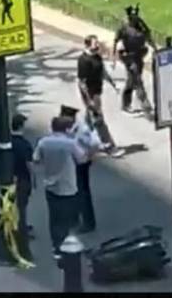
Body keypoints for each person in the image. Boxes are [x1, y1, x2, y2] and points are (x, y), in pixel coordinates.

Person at [34, 116, 89, 255]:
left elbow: (36, 159)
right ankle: (68, 246)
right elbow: (82, 159)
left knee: (54, 218)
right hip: (68, 186)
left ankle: (56, 246)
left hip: (51, 186)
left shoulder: (44, 142)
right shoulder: (70, 143)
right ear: (67, 129)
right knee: (69, 219)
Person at [76, 34, 124, 158]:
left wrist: (114, 85)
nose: (98, 45)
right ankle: (109, 146)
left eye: (97, 43)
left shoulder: (97, 56)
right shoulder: (83, 61)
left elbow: (103, 72)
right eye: (95, 43)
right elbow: (82, 83)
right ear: (88, 45)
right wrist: (89, 101)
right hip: (90, 94)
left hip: (97, 92)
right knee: (98, 120)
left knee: (88, 122)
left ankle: (80, 144)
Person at [60, 106, 102, 234]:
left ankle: (88, 223)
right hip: (71, 163)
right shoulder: (67, 128)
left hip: (81, 164)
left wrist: (89, 155)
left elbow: (95, 143)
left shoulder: (81, 130)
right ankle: (75, 219)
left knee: (82, 193)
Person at [112, 4, 155, 118]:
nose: (134, 20)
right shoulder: (124, 28)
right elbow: (116, 41)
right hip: (129, 57)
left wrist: (155, 49)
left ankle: (126, 104)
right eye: (132, 18)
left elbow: (148, 36)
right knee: (137, 80)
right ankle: (145, 105)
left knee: (131, 81)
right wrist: (114, 58)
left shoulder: (141, 26)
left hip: (139, 56)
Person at [11, 113, 36, 238]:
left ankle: (16, 225)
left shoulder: (8, 141)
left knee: (12, 203)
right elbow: (29, 164)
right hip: (23, 178)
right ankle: (22, 231)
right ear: (21, 126)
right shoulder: (25, 145)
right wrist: (34, 178)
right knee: (22, 206)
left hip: (11, 176)